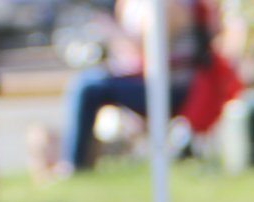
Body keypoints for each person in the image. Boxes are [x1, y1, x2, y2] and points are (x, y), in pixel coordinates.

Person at [53, 0, 206, 175]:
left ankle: (76, 165)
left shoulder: (173, 5)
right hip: (139, 80)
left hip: (170, 88)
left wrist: (111, 28)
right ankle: (80, 163)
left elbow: (147, 48)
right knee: (88, 80)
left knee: (88, 88)